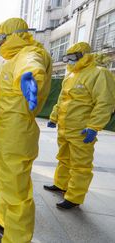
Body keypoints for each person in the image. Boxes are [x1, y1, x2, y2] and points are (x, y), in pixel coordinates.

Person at [0, 18, 52, 243]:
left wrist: (31, 77)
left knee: (16, 191)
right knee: (8, 183)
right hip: (8, 129)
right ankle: (5, 223)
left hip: (16, 131)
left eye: (1, 38)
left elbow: (32, 65)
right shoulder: (15, 57)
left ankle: (17, 239)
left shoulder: (27, 53)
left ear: (14, 36)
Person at [44, 42, 115, 209]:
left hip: (82, 130)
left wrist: (94, 126)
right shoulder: (70, 76)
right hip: (65, 128)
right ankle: (61, 184)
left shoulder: (99, 73)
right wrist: (54, 117)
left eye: (73, 58)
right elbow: (62, 99)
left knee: (80, 165)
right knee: (64, 158)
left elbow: (104, 102)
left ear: (85, 55)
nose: (69, 61)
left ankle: (74, 197)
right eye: (66, 58)